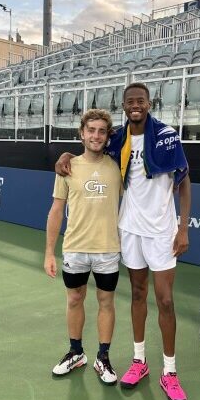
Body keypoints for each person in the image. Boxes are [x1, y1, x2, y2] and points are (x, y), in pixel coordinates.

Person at [55, 83, 192, 400]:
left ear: (149, 103)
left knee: (166, 301)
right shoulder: (118, 140)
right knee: (138, 296)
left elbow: (184, 184)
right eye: (129, 101)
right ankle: (139, 362)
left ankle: (170, 372)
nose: (135, 106)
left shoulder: (168, 137)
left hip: (161, 232)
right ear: (123, 105)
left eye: (140, 101)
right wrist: (63, 155)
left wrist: (183, 228)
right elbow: (90, 149)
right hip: (128, 230)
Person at [45, 109, 123, 385]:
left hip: (107, 250)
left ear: (108, 135)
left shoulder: (118, 166)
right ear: (82, 133)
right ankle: (76, 353)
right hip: (75, 249)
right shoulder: (67, 167)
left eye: (102, 131)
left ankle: (103, 358)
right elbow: (56, 210)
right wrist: (49, 253)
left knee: (106, 302)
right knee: (74, 299)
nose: (96, 136)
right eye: (91, 130)